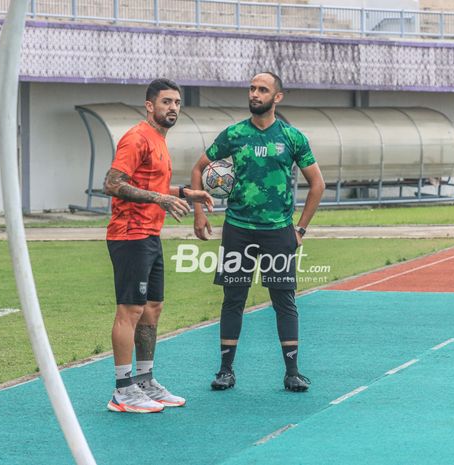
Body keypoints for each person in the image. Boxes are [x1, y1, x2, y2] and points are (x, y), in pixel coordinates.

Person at [190, 72, 325, 392]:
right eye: (252, 88)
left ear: (277, 97)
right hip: (238, 229)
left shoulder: (292, 138)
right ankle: (225, 370)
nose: (254, 93)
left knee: (284, 300)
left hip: (278, 232)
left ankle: (292, 372)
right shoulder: (234, 134)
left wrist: (300, 229)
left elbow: (317, 184)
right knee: (233, 298)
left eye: (262, 89)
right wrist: (198, 213)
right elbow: (198, 169)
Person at [103, 78, 213, 413]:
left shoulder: (159, 140)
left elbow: (154, 185)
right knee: (131, 310)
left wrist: (184, 193)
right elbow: (112, 183)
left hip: (150, 234)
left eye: (177, 103)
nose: (173, 108)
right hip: (129, 234)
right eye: (166, 102)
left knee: (152, 308)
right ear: (149, 105)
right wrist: (160, 198)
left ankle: (145, 380)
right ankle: (123, 390)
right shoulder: (136, 137)